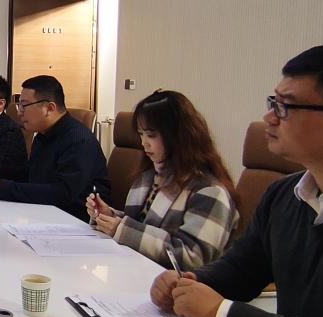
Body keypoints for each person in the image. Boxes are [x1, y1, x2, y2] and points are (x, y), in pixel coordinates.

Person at [150, 42, 323, 317]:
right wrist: (190, 282)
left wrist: (224, 316)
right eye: (273, 102)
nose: (269, 118)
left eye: (286, 107)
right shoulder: (284, 195)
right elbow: (241, 271)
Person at [86, 90, 238, 269]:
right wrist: (110, 217)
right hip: (137, 272)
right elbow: (140, 225)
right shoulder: (147, 178)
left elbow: (192, 257)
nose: (144, 143)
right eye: (141, 134)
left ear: (177, 136)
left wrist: (121, 229)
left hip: (178, 283)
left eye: (151, 135)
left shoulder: (210, 191)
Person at [0, 75, 109, 221]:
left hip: (77, 221)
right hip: (44, 214)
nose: (19, 112)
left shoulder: (78, 140)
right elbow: (31, 174)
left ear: (49, 108)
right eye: (19, 106)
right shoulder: (42, 135)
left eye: (24, 106)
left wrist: (2, 189)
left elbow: (63, 193)